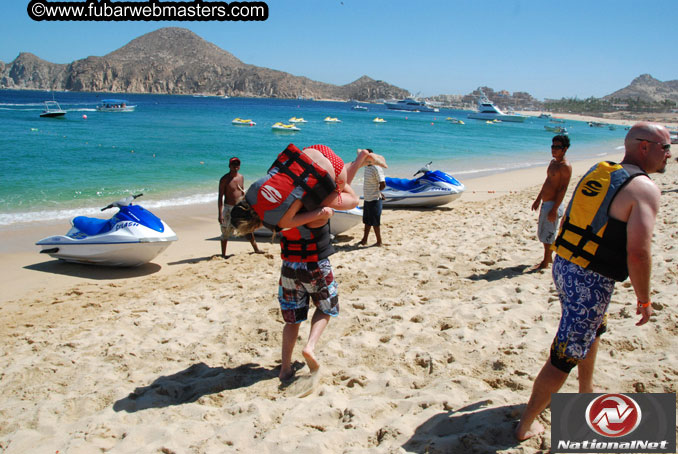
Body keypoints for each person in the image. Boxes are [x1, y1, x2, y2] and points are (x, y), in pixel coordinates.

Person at [515, 122, 672, 441]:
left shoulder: (603, 171)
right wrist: (644, 299)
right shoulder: (644, 188)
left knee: (592, 327)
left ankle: (585, 391)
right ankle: (525, 426)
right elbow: (638, 253)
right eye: (665, 147)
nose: (670, 154)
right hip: (590, 279)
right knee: (564, 354)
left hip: (565, 265)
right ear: (644, 147)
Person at [229, 143, 387, 236]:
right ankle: (362, 160)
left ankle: (360, 160)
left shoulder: (280, 221)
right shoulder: (253, 189)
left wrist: (322, 213)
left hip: (335, 171)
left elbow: (324, 213)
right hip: (315, 150)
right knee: (316, 180)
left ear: (251, 226)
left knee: (351, 201)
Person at [531, 134, 572, 269]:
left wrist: (554, 209)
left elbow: (562, 189)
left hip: (554, 205)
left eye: (557, 147)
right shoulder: (553, 163)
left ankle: (546, 262)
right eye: (553, 146)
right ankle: (547, 259)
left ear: (565, 149)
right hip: (546, 203)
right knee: (543, 233)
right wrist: (538, 199)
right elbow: (547, 181)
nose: (554, 149)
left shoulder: (565, 166)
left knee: (549, 234)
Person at [217, 157, 262, 257]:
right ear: (229, 166)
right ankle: (223, 254)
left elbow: (242, 193)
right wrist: (220, 214)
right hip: (229, 208)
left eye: (237, 164)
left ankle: (256, 249)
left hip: (240, 207)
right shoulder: (224, 179)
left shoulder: (241, 177)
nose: (235, 166)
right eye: (233, 164)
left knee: (247, 228)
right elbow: (220, 197)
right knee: (226, 231)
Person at [359, 149, 386, 246]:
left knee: (375, 222)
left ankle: (379, 242)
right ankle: (364, 240)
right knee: (367, 221)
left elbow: (383, 184)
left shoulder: (376, 168)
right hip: (367, 198)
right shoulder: (367, 167)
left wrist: (378, 193)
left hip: (375, 199)